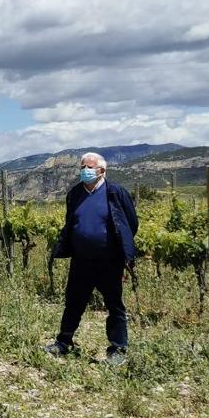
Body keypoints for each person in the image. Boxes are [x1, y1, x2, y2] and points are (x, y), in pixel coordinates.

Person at [45, 152, 139, 366]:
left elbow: (130, 223)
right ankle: (64, 342)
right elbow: (71, 221)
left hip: (109, 261)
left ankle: (118, 349)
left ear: (102, 171)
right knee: (74, 301)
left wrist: (122, 249)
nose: (84, 171)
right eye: (82, 167)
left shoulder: (115, 192)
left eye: (89, 167)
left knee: (114, 304)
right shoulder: (75, 194)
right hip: (81, 260)